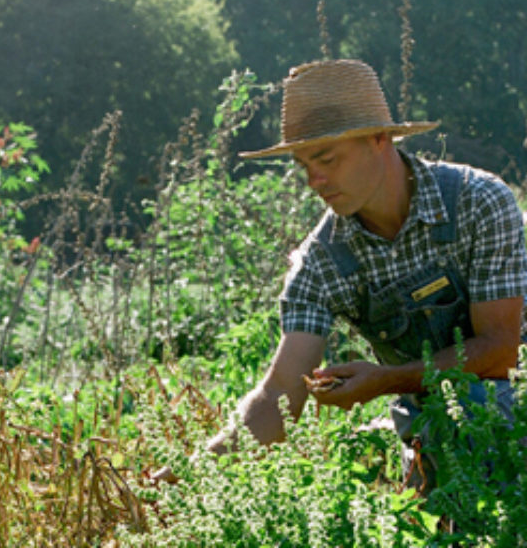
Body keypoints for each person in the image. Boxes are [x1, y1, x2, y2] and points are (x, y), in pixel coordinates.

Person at [205, 59, 527, 493]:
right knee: (367, 463)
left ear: (380, 139)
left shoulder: (477, 202)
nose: (314, 180)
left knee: (473, 408)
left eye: (327, 159)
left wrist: (384, 381)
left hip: (514, 401)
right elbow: (282, 388)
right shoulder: (321, 263)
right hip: (429, 425)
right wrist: (190, 474)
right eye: (303, 165)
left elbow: (502, 350)